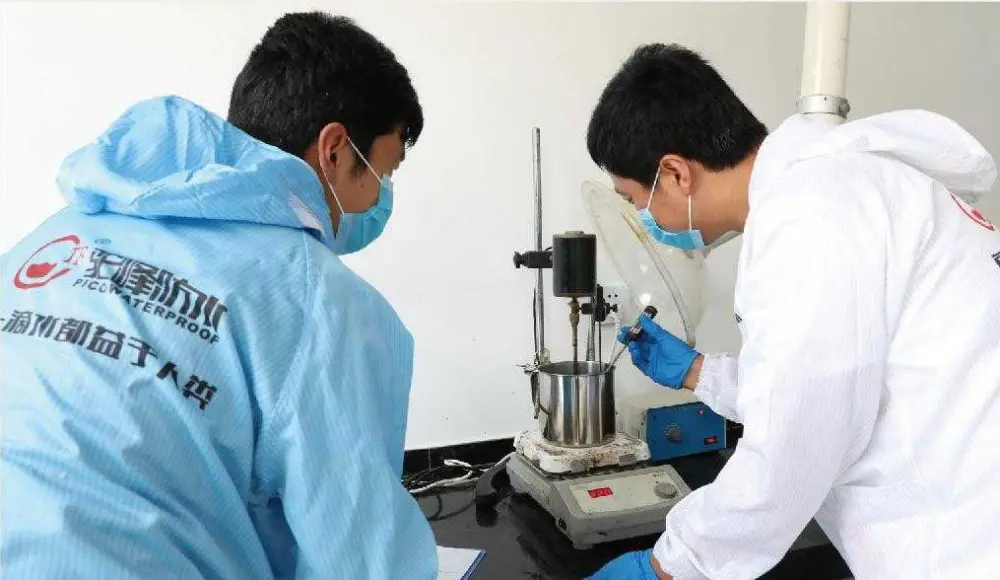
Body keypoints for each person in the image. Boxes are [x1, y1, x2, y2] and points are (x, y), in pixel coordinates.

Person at [0, 12, 437, 579]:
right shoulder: (320, 299)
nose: (380, 200)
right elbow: (363, 562)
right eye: (383, 173)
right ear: (334, 150)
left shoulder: (61, 233)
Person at [585, 44, 1000, 579]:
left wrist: (667, 566)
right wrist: (699, 373)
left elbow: (790, 453)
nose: (644, 220)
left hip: (964, 545)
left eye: (634, 200)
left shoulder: (809, 217)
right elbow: (821, 386)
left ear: (675, 174)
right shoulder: (852, 182)